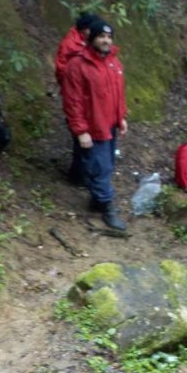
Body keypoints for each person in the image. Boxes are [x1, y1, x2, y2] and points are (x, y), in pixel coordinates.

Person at [62, 20, 129, 230]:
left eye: (109, 37)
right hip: (93, 126)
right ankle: (107, 207)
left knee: (106, 163)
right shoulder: (78, 65)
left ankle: (96, 200)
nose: (106, 40)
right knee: (102, 168)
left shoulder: (113, 62)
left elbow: (117, 93)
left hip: (109, 124)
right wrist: (80, 131)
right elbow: (73, 101)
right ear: (92, 38)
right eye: (101, 36)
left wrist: (121, 117)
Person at [54, 12, 102, 186]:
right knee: (80, 138)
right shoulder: (71, 45)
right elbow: (62, 71)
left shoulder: (84, 43)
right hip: (77, 97)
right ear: (85, 29)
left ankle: (82, 173)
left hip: (88, 98)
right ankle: (78, 176)